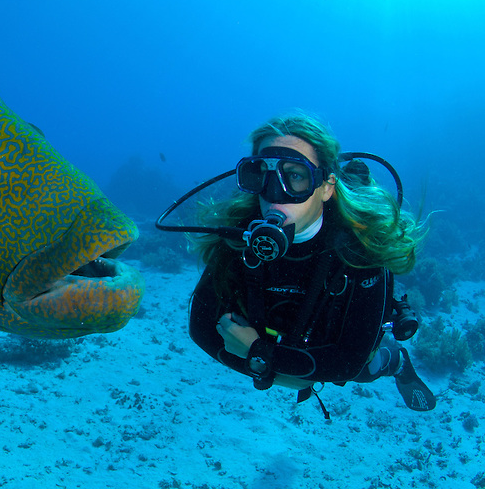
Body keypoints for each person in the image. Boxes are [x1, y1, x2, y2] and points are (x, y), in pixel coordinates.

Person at [185, 112, 435, 412]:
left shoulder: (360, 248)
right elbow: (200, 328)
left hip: (321, 346)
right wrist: (269, 366)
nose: (275, 192)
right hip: (276, 344)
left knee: (367, 371)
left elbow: (346, 363)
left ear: (327, 186)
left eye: (295, 175)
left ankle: (396, 361)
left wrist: (258, 356)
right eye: (262, 173)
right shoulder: (241, 236)